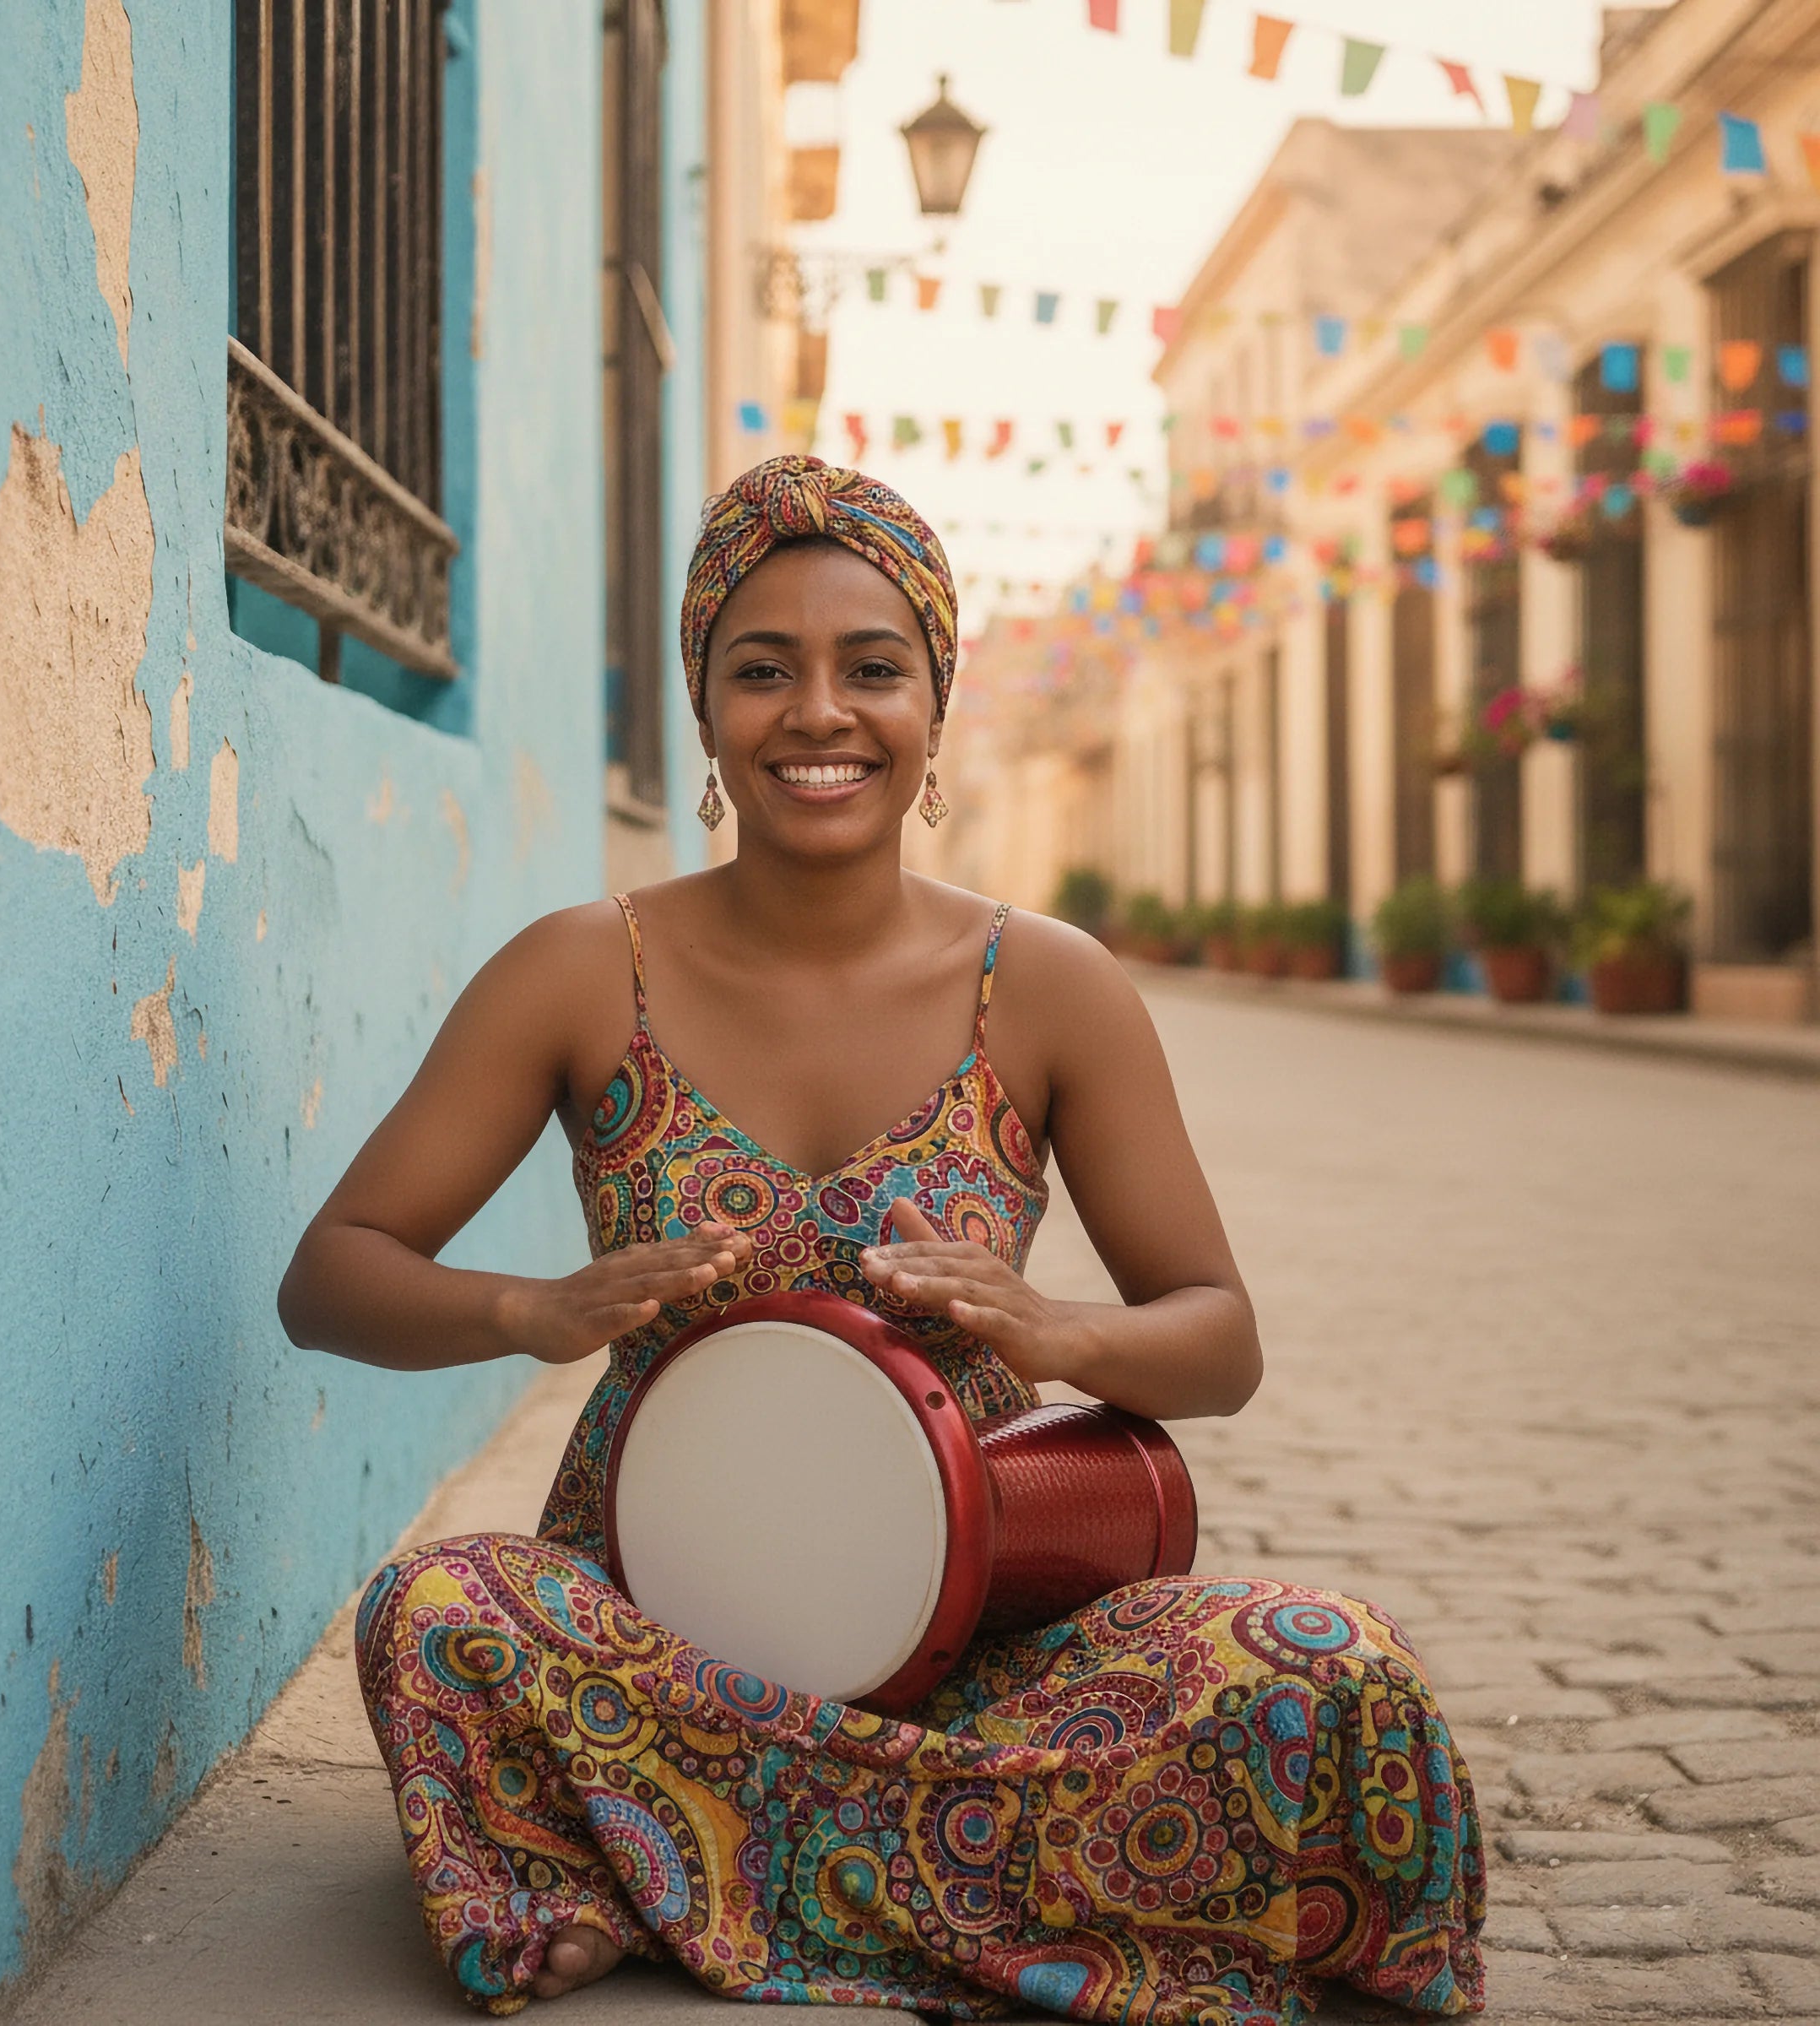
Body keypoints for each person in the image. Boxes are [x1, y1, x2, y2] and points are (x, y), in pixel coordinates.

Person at [278, 455, 1486, 2020]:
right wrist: (534, 1306)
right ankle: (974, 1883)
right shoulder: (584, 971)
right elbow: (332, 1277)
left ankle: (677, 1866)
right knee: (438, 1617)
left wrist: (1058, 1335)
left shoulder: (1046, 984)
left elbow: (1220, 1338)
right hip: (660, 1642)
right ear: (706, 714)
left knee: (1336, 1666)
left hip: (983, 1655)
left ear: (934, 706)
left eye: (873, 669)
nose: (819, 715)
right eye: (761, 669)